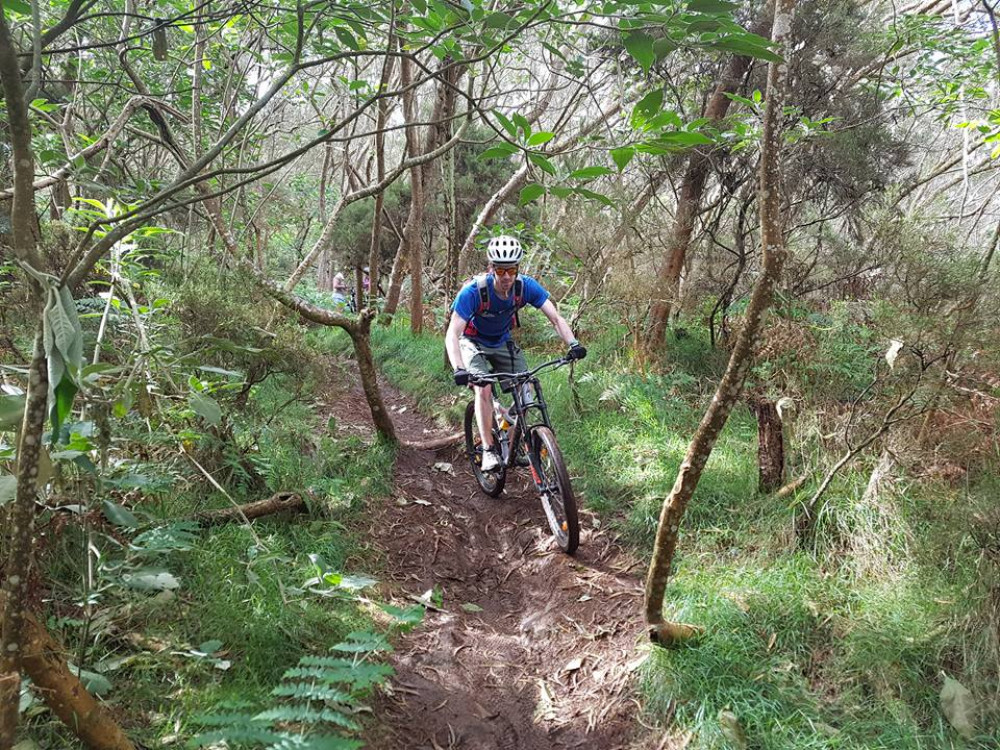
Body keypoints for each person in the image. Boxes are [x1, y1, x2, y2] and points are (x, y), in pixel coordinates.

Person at [445, 235, 587, 472]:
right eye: (501, 271)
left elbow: (555, 318)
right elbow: (453, 333)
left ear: (518, 268)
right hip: (472, 342)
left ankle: (509, 435)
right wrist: (459, 368)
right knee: (484, 388)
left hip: (502, 341)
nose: (507, 277)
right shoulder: (473, 291)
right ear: (491, 268)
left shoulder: (525, 287)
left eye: (512, 270)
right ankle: (489, 450)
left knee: (526, 390)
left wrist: (573, 343)